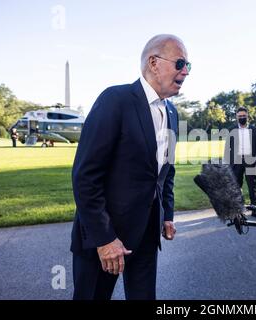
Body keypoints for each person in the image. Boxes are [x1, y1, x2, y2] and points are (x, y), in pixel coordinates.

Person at [70, 34, 189, 300]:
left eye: (188, 66)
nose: (186, 72)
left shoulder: (171, 112)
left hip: (147, 234)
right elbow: (85, 177)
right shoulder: (115, 99)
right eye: (180, 63)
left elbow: (165, 172)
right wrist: (104, 239)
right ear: (154, 62)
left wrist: (166, 214)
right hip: (105, 239)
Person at [224, 107, 256, 220]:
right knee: (236, 186)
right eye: (240, 116)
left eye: (244, 116)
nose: (242, 118)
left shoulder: (253, 129)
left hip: (250, 160)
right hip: (236, 162)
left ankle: (254, 210)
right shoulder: (231, 129)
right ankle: (238, 212)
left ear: (247, 116)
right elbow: (228, 148)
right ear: (236, 117)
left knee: (252, 186)